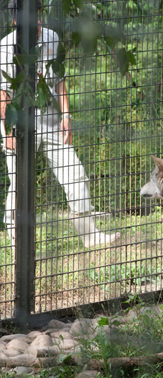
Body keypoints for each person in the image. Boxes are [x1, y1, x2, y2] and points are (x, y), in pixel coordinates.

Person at [0, 0, 120, 248]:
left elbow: (59, 81)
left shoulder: (52, 38)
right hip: (20, 127)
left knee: (76, 174)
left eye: (39, 13)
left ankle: (90, 236)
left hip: (52, 122)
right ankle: (16, 242)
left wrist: (67, 116)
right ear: (14, 20)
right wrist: (8, 132)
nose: (37, 20)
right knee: (19, 183)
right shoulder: (5, 47)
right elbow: (3, 95)